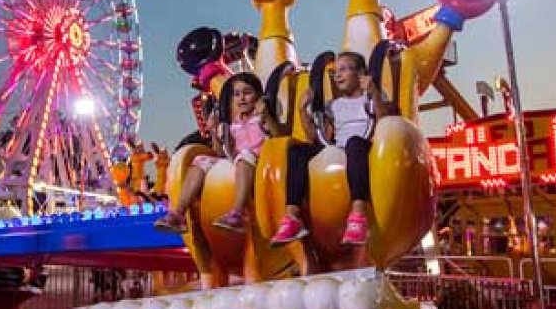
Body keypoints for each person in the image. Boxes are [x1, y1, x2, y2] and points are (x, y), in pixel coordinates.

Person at [271, 52, 390, 247]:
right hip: (339, 148)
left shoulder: (371, 97)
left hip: (365, 147)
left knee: (354, 142)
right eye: (335, 72)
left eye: (343, 70)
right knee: (297, 151)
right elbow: (316, 138)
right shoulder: (334, 106)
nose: (338, 76)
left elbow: (385, 123)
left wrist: (374, 93)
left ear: (360, 73)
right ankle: (292, 217)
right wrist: (303, 111)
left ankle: (358, 214)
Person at [154, 73, 284, 234]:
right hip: (238, 160)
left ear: (258, 95)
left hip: (262, 160)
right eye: (237, 94)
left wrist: (266, 116)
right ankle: (178, 214)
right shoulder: (233, 123)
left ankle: (238, 213)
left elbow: (279, 139)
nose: (241, 98)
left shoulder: (262, 117)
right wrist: (214, 131)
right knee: (200, 160)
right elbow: (220, 152)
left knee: (245, 156)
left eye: (247, 93)